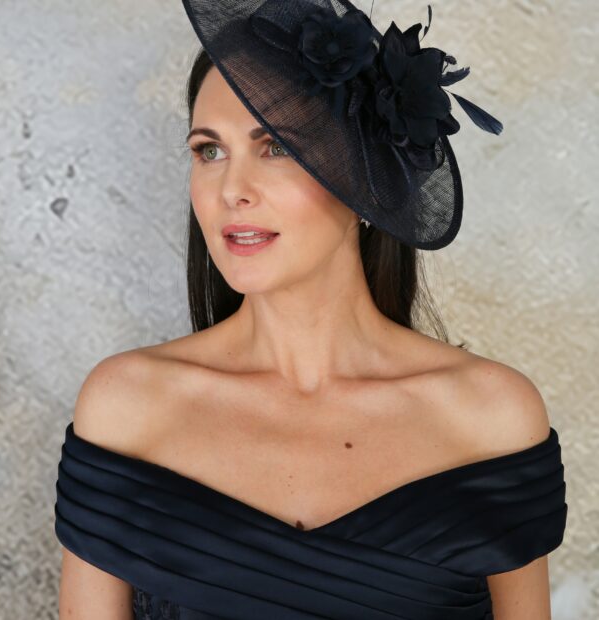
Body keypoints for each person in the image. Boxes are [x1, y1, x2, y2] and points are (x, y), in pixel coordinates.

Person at [54, 2, 567, 618]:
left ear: (368, 176)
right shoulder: (126, 407)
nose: (231, 190)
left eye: (277, 146)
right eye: (209, 151)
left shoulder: (491, 418)